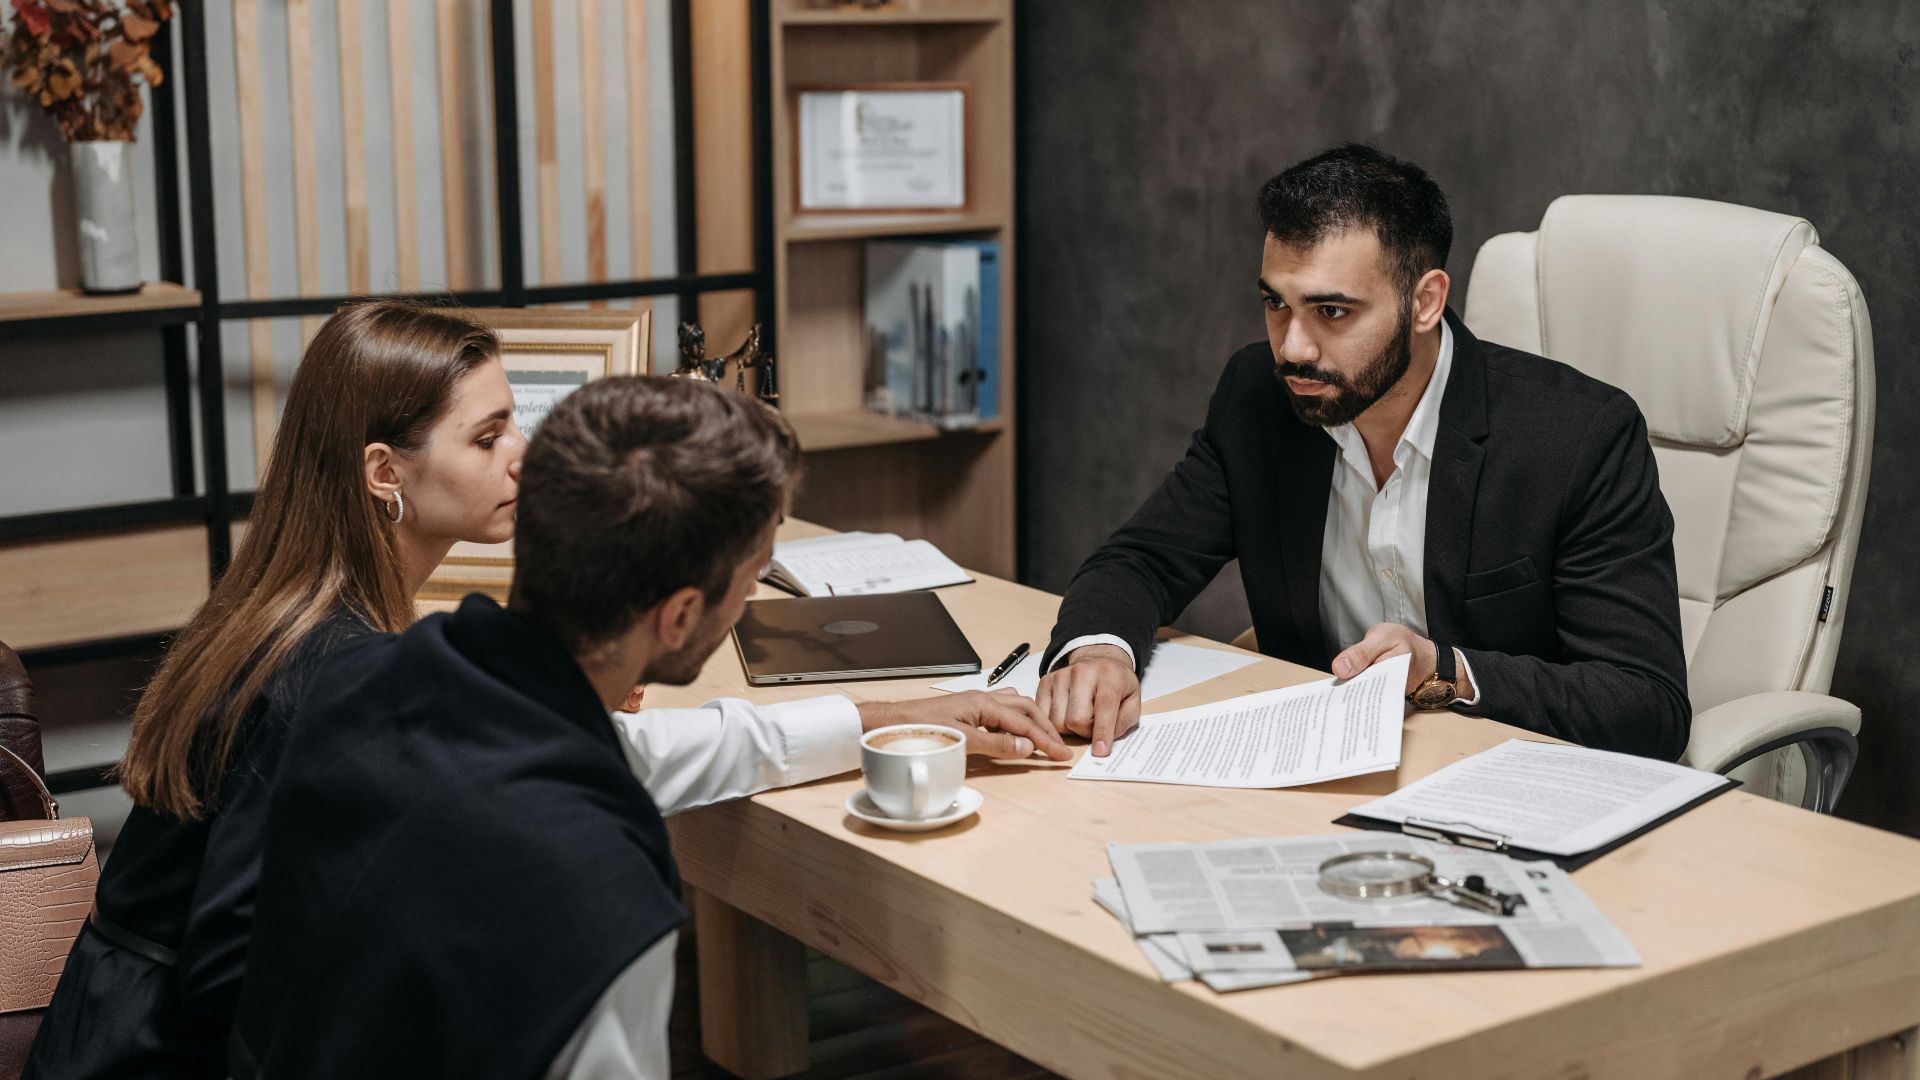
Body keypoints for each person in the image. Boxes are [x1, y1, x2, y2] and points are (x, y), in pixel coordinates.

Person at [232, 376, 1050, 1078]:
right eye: (752, 575)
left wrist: (890, 716)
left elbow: (646, 751)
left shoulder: (377, 681)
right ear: (681, 613)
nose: (751, 602)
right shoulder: (599, 887)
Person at [1035, 144, 1689, 761]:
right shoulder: (1259, 399)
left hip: (1514, 785)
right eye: (1276, 304)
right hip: (1323, 773)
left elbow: (1645, 706)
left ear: (1425, 302)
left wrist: (1447, 670)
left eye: (1333, 312)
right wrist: (1099, 649)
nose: (1292, 347)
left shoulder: (1578, 438)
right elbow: (1142, 559)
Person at [28, 299, 527, 1077]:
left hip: (124, 1024)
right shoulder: (328, 665)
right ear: (384, 472)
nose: (521, 455)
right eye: (488, 437)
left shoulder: (295, 605)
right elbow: (234, 962)